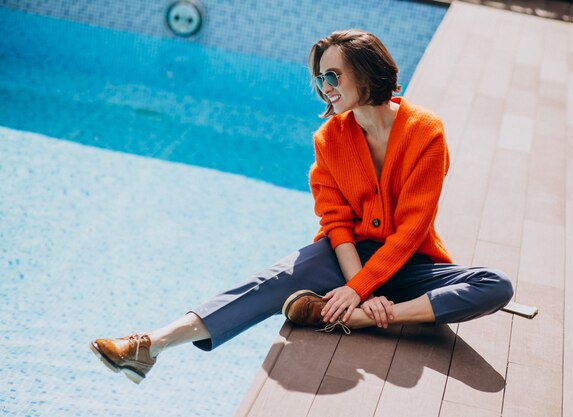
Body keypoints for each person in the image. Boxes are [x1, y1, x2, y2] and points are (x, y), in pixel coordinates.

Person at [89, 29, 514, 384]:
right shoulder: (329, 139)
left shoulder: (426, 133)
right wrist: (355, 285)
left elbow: (411, 230)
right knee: (269, 281)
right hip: (344, 259)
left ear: (367, 73)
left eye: (333, 75)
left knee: (496, 285)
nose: (324, 86)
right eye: (318, 78)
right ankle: (151, 344)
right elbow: (337, 223)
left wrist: (360, 300)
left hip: (410, 261)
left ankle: (365, 319)